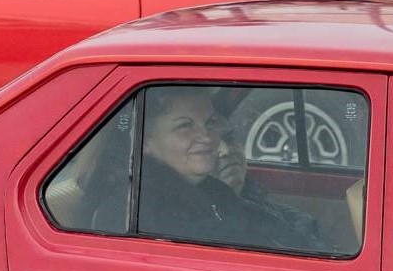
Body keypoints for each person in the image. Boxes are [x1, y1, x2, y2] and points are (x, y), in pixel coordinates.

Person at [136, 86, 320, 252]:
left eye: (209, 123)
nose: (207, 137)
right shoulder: (150, 213)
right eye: (185, 125)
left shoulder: (216, 192)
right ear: (145, 141)